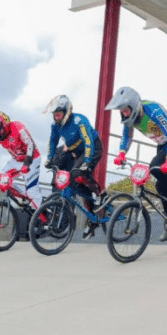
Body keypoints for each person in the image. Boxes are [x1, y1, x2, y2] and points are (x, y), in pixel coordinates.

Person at [105, 86, 167, 242]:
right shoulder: (129, 120)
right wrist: (122, 152)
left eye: (125, 110)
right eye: (121, 111)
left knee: (155, 167)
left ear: (134, 105)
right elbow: (126, 137)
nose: (124, 114)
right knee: (160, 187)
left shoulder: (153, 110)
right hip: (163, 144)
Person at [43, 94, 105, 239]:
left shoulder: (79, 120)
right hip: (77, 153)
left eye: (59, 114)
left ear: (66, 111)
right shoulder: (55, 125)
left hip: (92, 149)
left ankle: (101, 194)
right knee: (76, 184)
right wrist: (50, 159)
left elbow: (88, 141)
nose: (57, 117)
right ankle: (92, 218)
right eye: (55, 115)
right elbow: (52, 142)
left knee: (77, 174)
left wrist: (87, 162)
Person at [0, 110, 42, 211]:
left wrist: (27, 164)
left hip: (32, 159)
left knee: (32, 192)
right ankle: (24, 197)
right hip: (17, 160)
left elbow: (30, 145)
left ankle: (42, 217)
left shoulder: (18, 127)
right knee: (0, 181)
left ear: (3, 124)